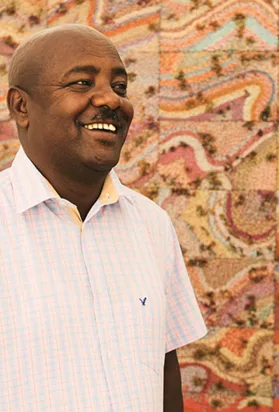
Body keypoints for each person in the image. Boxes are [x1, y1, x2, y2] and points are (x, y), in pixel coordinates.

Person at [0, 24, 207, 411]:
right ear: (21, 107)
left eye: (120, 86)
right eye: (81, 83)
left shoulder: (151, 225)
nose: (110, 100)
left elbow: (164, 370)